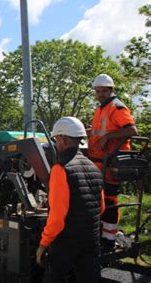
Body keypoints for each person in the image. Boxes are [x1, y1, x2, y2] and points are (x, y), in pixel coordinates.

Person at [36, 117, 105, 283]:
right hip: (91, 239)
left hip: (67, 242)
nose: (56, 143)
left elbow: (57, 218)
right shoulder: (94, 167)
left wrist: (43, 245)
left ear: (62, 139)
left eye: (56, 139)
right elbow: (100, 207)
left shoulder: (61, 169)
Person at [87, 74, 138, 250]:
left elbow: (132, 130)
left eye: (103, 91)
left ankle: (108, 240)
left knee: (109, 201)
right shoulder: (101, 108)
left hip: (111, 163)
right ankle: (100, 237)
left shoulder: (116, 108)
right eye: (97, 91)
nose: (100, 94)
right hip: (99, 163)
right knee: (99, 201)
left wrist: (109, 136)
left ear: (111, 90)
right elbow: (98, 131)